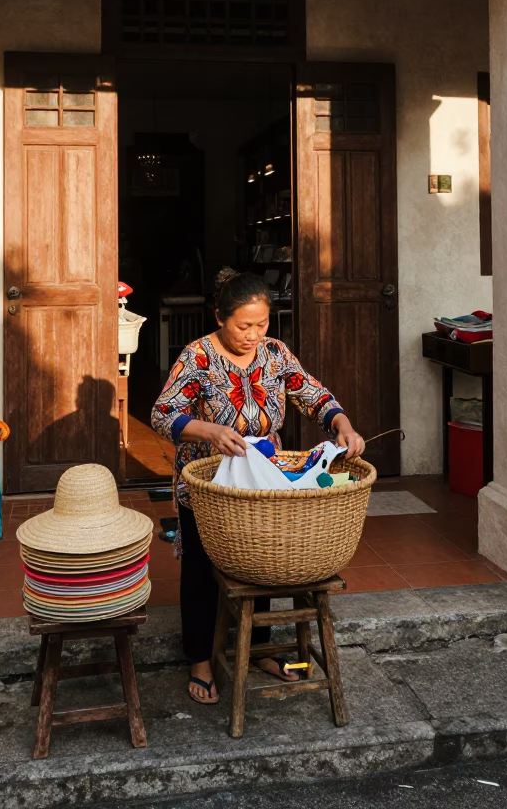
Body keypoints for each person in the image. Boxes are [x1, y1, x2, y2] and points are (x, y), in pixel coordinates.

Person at [151, 267, 365, 705]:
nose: (253, 335)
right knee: (200, 570)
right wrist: (209, 431)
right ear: (220, 317)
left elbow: (313, 395)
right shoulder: (197, 357)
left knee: (262, 561)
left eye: (261, 324)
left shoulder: (275, 354)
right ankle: (201, 660)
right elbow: (162, 413)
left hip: (263, 482)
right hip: (209, 484)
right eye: (243, 325)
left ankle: (261, 650)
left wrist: (342, 424)